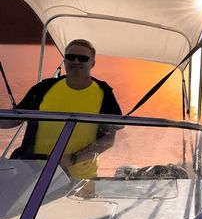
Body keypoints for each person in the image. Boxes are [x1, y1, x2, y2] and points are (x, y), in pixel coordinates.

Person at [7, 39, 122, 179]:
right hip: (35, 170)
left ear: (92, 64)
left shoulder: (104, 93)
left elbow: (108, 139)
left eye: (83, 58)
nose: (76, 61)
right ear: (65, 60)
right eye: (70, 57)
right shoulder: (43, 88)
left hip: (80, 177)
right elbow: (13, 120)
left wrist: (73, 159)